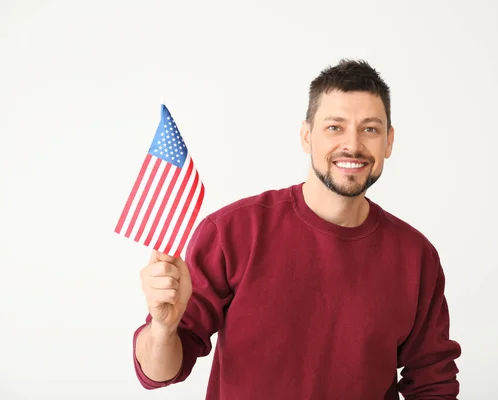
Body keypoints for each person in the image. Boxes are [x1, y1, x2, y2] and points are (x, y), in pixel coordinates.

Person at [133, 59, 462, 399]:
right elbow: (160, 372)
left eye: (370, 129)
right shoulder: (231, 232)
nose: (352, 145)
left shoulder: (415, 256)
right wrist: (163, 327)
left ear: (388, 142)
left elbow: (433, 382)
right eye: (335, 127)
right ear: (307, 136)